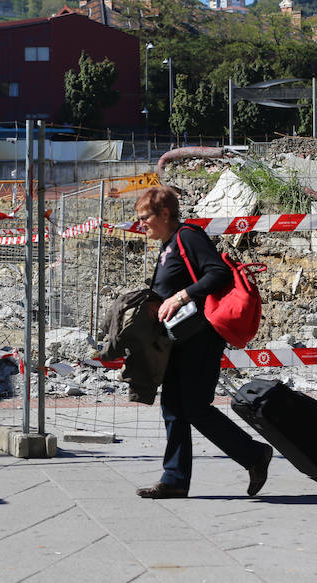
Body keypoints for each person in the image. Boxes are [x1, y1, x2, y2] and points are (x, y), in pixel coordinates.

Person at [134, 186, 272, 499]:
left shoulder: (187, 236)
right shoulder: (168, 243)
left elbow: (218, 273)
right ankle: (175, 480)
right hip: (178, 340)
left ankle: (254, 455)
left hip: (200, 339)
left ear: (165, 214)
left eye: (145, 218)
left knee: (195, 408)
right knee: (172, 408)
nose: (141, 224)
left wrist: (181, 295)